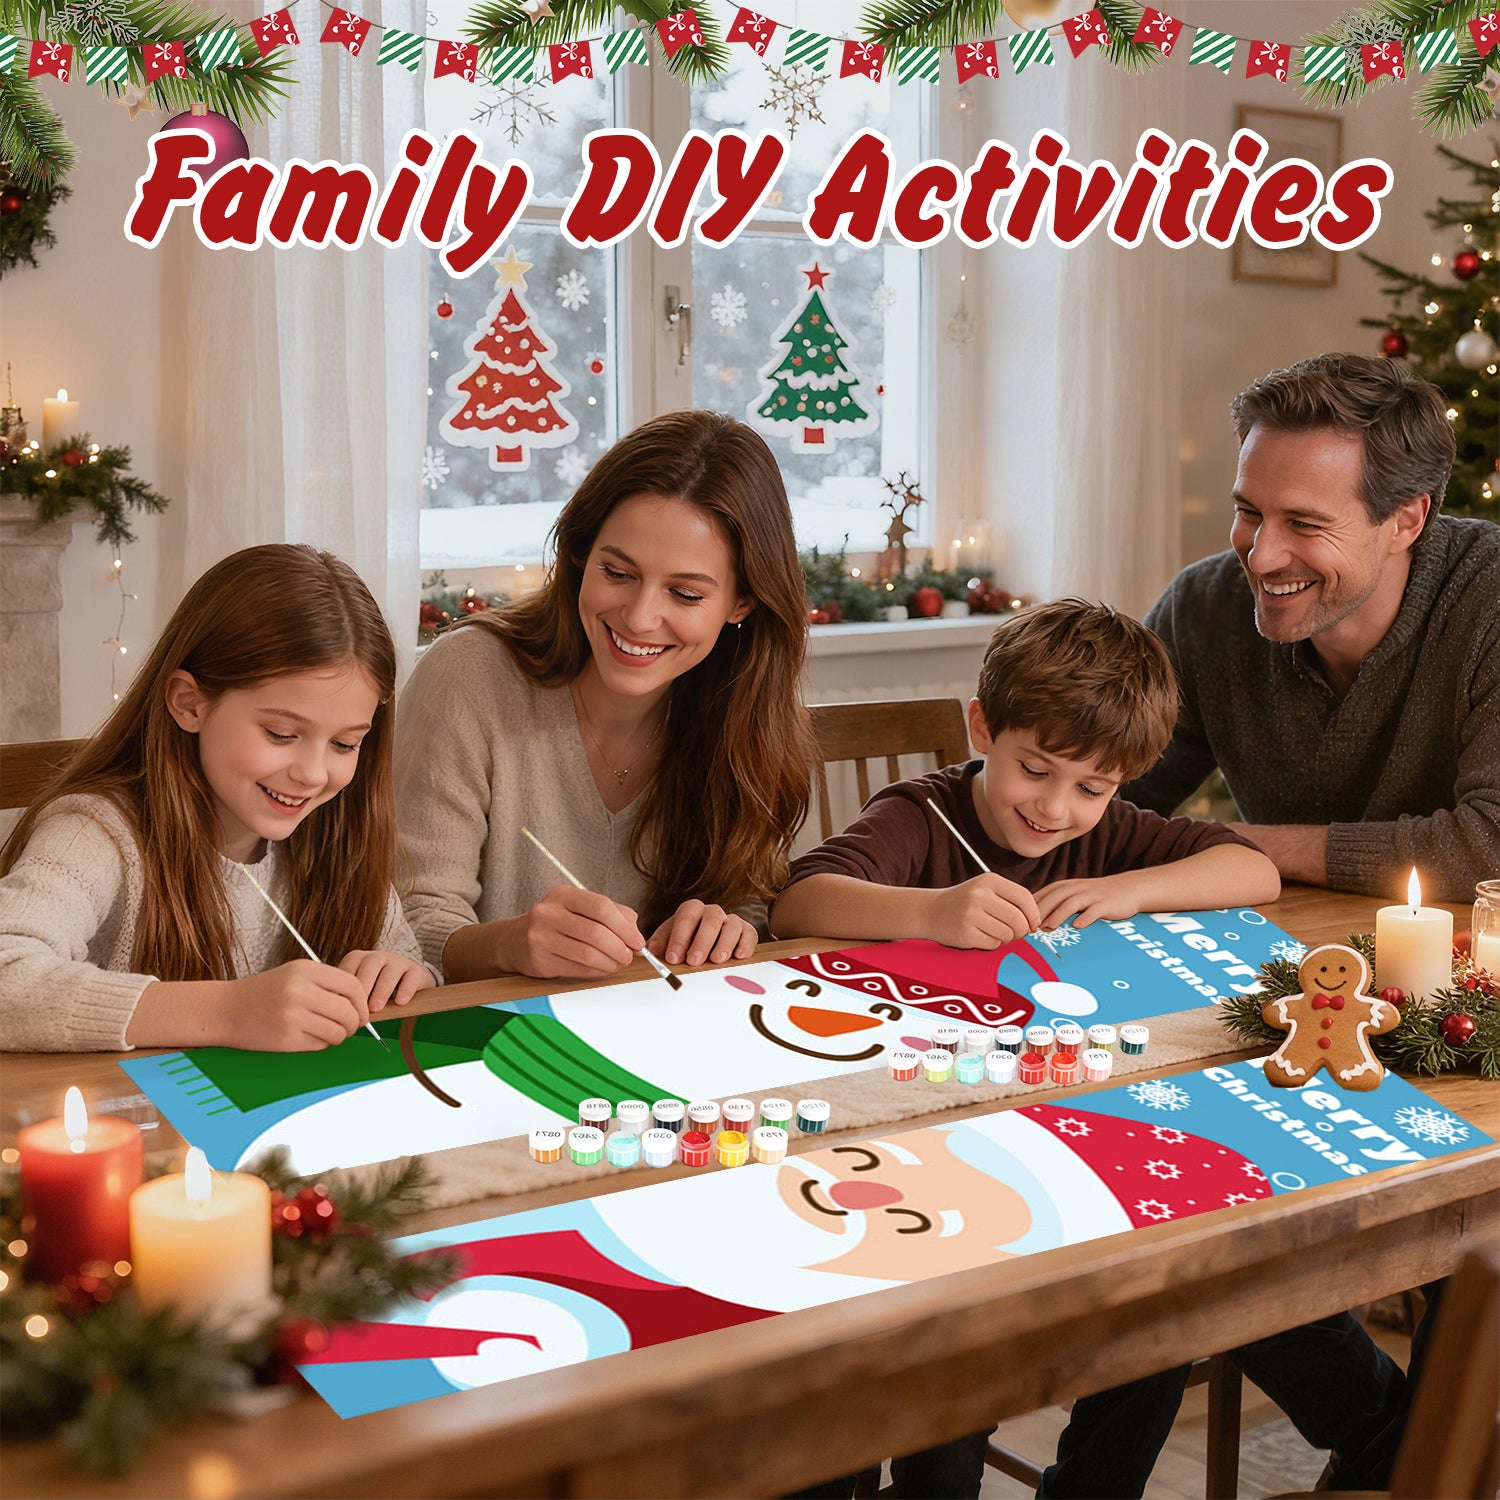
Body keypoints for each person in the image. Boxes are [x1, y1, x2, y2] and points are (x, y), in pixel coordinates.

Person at [772, 598, 1280, 1499]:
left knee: (1159, 1303)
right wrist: (930, 912)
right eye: (1034, 771)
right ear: (983, 727)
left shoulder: (1109, 836)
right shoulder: (922, 816)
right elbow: (802, 899)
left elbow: (1254, 870)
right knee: (957, 1369)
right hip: (916, 1154)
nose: (1055, 808)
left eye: (1093, 789)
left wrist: (1130, 890)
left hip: (1061, 1134)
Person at [395, 409, 816, 983]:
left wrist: (728, 926)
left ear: (742, 604)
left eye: (686, 594)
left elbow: (747, 902)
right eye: (617, 573)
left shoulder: (745, 707)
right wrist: (510, 944)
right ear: (579, 555)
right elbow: (407, 926)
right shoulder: (469, 677)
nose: (640, 617)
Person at [0, 544, 434, 1053]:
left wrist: (406, 976)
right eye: (279, 733)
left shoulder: (337, 833)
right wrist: (229, 1011)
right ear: (190, 704)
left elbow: (408, 963)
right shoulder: (94, 833)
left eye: (344, 744)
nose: (313, 774)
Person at [1123, 351, 1499, 902]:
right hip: (1278, 958)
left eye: (1304, 523)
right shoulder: (1202, 609)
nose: (1262, 556)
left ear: (1405, 521)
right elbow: (1101, 788)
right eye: (1249, 511)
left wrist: (1236, 846)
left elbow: (1491, 845)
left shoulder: (1487, 600)